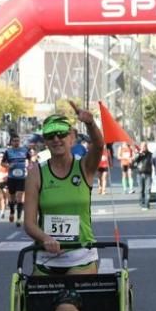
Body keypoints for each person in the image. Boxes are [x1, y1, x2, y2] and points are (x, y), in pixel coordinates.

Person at [23, 101, 103, 276]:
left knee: (66, 303)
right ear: (45, 141)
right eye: (51, 135)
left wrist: (90, 124)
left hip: (81, 255)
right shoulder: (36, 173)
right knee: (39, 301)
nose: (56, 139)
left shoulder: (84, 167)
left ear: (72, 138)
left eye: (61, 134)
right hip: (47, 256)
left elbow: (98, 146)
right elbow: (29, 223)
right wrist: (45, 239)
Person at [1, 132, 30, 227]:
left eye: (18, 141)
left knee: (19, 197)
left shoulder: (25, 150)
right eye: (14, 141)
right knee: (12, 198)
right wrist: (9, 166)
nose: (16, 142)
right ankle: (12, 211)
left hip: (21, 178)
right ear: (11, 142)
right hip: (11, 178)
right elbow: (2, 163)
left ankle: (18, 218)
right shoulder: (8, 152)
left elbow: (30, 160)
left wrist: (29, 167)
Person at [133, 141, 153, 210]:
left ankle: (147, 204)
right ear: (140, 147)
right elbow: (134, 162)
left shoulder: (150, 154)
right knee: (141, 190)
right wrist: (139, 154)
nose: (144, 147)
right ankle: (142, 203)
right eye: (142, 146)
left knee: (148, 190)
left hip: (148, 174)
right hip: (140, 174)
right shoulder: (138, 155)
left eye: (145, 146)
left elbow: (153, 163)